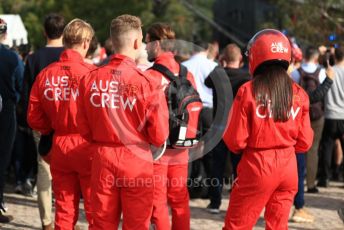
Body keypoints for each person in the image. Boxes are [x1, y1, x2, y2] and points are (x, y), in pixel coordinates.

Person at [77, 15, 169, 230]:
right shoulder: (147, 82)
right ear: (138, 43)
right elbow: (159, 134)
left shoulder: (90, 79)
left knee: (101, 223)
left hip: (102, 155)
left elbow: (82, 125)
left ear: (112, 41)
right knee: (137, 224)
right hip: (136, 158)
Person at [222, 29, 313, 229]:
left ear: (256, 56)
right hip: (289, 168)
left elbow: (236, 140)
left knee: (237, 225)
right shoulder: (299, 94)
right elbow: (305, 141)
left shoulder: (248, 91)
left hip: (257, 165)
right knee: (278, 226)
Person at [27, 19, 95, 229]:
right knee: (95, 208)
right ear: (85, 42)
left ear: (64, 41)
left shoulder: (45, 74)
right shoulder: (92, 74)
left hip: (59, 146)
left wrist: (50, 129)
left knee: (64, 208)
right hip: (87, 147)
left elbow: (33, 117)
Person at [145, 23, 198, 230]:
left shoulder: (150, 76)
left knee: (157, 202)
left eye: (147, 42)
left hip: (158, 148)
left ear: (157, 43)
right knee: (179, 199)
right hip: (182, 144)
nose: (145, 47)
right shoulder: (187, 74)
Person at [19, 13, 65, 230]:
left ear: (44, 32)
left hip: (42, 123)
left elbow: (27, 94)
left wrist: (30, 122)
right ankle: (65, 217)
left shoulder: (35, 58)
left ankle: (47, 220)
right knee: (66, 170)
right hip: (66, 123)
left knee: (43, 169)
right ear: (63, 32)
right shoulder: (70, 56)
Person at [206, 43, 249, 214]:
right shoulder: (247, 76)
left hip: (218, 126)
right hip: (237, 127)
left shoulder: (218, 73)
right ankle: (237, 202)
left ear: (223, 58)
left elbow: (206, 82)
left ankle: (215, 202)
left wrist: (219, 65)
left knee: (217, 165)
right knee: (239, 166)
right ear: (240, 58)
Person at [291, 47, 326, 193]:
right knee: (313, 149)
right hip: (317, 115)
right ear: (317, 57)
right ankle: (311, 184)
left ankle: (295, 182)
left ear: (304, 56)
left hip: (299, 114)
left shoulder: (296, 72)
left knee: (297, 148)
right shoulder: (322, 72)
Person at [0, 17, 24, 223]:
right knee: (1, 159)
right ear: (5, 34)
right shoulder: (12, 58)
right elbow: (20, 85)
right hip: (5, 112)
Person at [318, 46, 344, 187]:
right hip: (343, 115)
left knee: (327, 146)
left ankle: (325, 178)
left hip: (330, 114)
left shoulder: (329, 71)